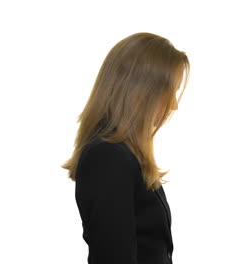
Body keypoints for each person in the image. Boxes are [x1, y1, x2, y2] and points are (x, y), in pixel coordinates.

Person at [61, 32, 190, 264]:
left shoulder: (125, 157)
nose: (174, 105)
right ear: (140, 93)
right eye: (169, 92)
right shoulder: (107, 157)